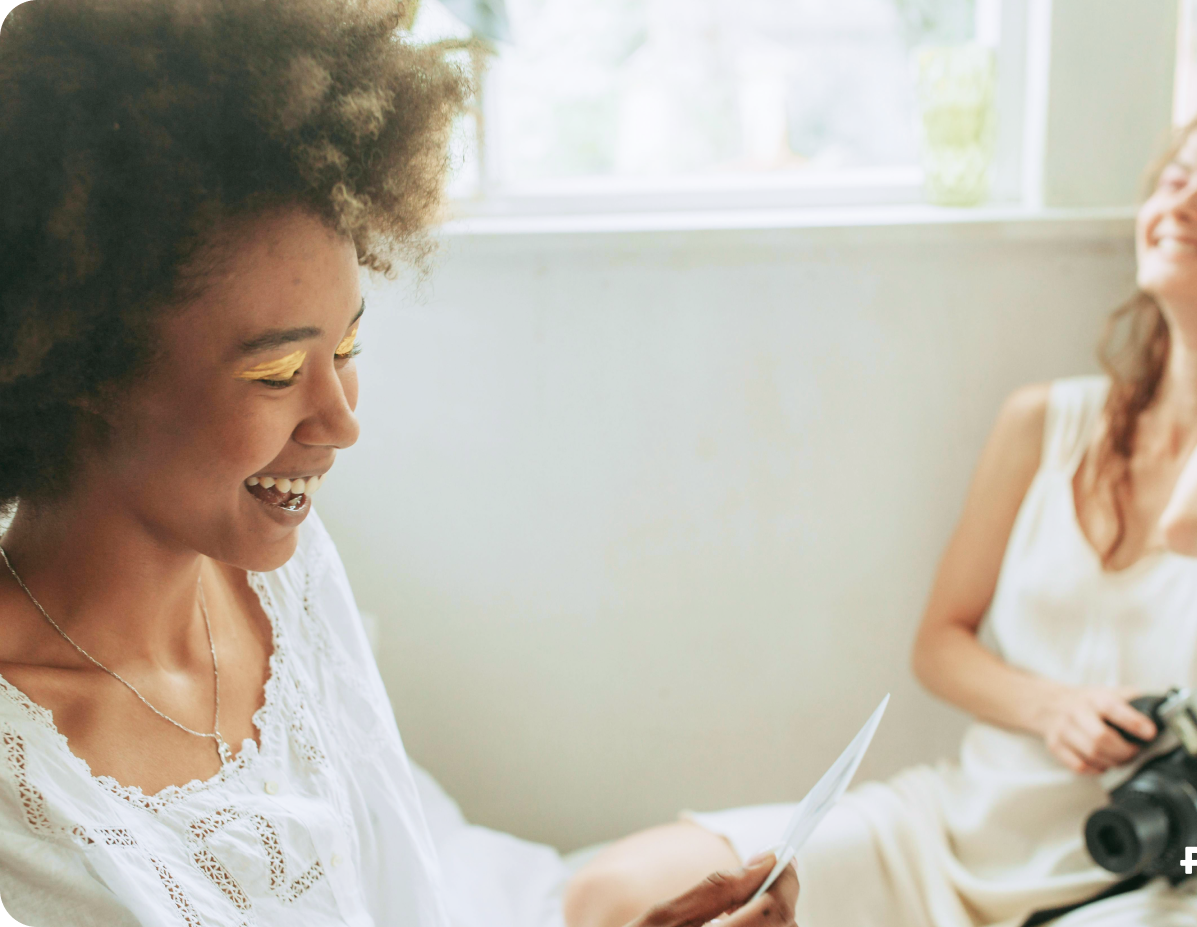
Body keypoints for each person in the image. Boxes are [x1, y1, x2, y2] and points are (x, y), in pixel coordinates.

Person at [564, 73, 1197, 927]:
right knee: (610, 894)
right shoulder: (1047, 423)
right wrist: (1051, 706)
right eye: (1174, 176)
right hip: (953, 834)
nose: (1181, 201)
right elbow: (939, 642)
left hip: (1153, 879)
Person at [0, 2, 800, 926]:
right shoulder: (25, 800)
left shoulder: (289, 583)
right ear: (84, 367)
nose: (341, 422)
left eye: (347, 348)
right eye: (275, 372)